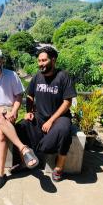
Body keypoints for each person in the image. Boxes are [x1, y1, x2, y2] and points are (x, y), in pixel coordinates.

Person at [0, 47, 39, 191]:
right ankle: (23, 149)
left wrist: (14, 110)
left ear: (2, 61)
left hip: (10, 112)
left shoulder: (11, 75)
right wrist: (3, 110)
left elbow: (19, 96)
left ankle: (0, 173)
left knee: (1, 133)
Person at [16, 44, 77, 182]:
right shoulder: (37, 77)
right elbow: (30, 95)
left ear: (53, 60)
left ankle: (59, 168)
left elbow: (67, 102)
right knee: (20, 127)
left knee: (64, 130)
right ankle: (26, 160)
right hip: (40, 116)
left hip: (60, 117)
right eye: (39, 61)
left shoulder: (63, 76)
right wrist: (29, 111)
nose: (41, 64)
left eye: (44, 60)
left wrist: (51, 120)